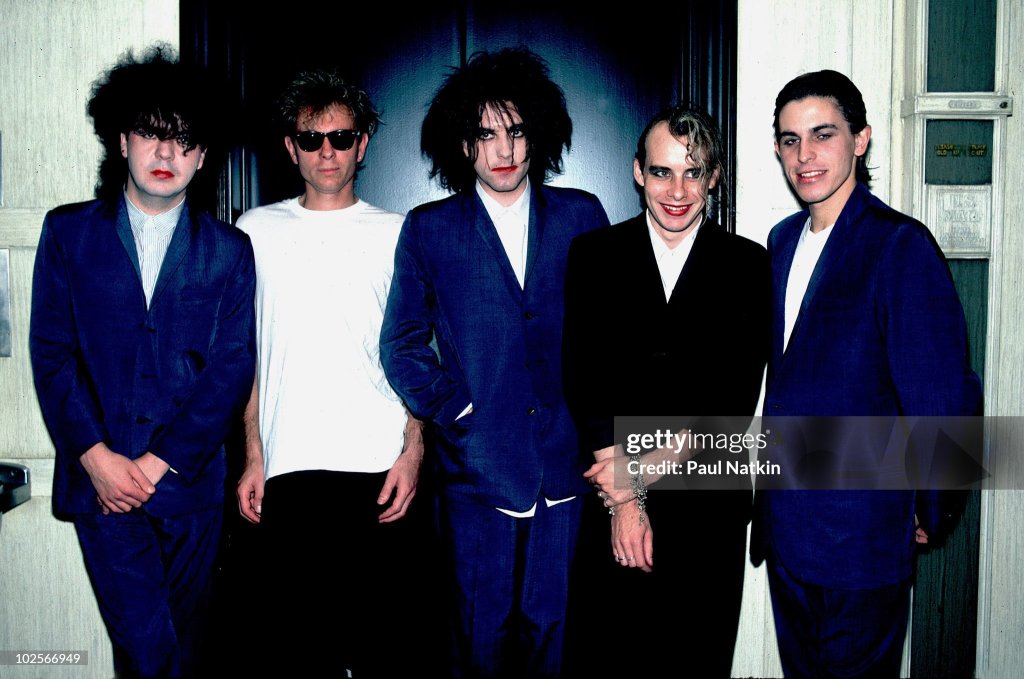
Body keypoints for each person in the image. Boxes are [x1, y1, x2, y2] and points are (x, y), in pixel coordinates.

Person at [380, 48, 609, 678]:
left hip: (565, 470)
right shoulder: (430, 228)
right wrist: (457, 411)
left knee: (555, 645)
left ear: (538, 134)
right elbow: (401, 342)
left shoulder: (582, 215)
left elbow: (607, 335)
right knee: (476, 644)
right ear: (464, 144)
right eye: (486, 135)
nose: (503, 150)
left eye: (516, 131)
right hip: (475, 474)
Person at [29, 45, 256, 678]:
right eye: (152, 135)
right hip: (102, 486)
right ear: (123, 140)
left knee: (180, 653)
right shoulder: (68, 233)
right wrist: (96, 458)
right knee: (152, 655)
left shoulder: (230, 250)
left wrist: (159, 463)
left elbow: (232, 368)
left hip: (188, 487)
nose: (166, 153)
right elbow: (52, 355)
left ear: (202, 157)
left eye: (184, 141)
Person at [752, 69, 982, 677]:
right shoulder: (780, 243)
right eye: (791, 139)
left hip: (862, 542)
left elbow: (944, 395)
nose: (805, 155)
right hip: (787, 534)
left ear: (860, 140)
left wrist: (932, 506)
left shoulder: (899, 245)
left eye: (822, 134)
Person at [562, 105, 769, 678]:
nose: (677, 191)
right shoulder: (594, 255)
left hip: (708, 505)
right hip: (611, 499)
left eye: (693, 172)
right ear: (638, 172)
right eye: (662, 172)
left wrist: (637, 475)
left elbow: (732, 401)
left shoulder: (749, 265)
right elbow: (583, 380)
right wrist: (626, 502)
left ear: (714, 177)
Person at [233, 69, 425, 677]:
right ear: (290, 147)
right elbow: (249, 357)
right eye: (311, 139)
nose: (327, 152)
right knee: (296, 654)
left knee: (381, 652)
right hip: (287, 471)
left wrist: (413, 451)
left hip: (377, 470)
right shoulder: (253, 231)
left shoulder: (400, 234)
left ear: (362, 144)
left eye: (341, 138)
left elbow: (421, 354)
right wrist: (254, 455)